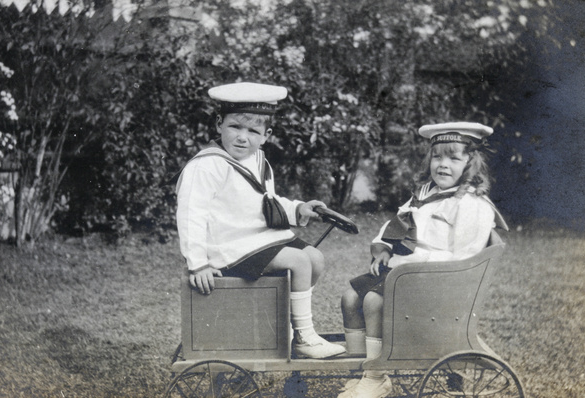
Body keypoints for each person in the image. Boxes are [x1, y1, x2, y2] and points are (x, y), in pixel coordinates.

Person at [175, 82, 346, 359]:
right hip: (229, 247)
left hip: (256, 240)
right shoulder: (206, 165)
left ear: (266, 135)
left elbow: (267, 200)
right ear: (219, 124)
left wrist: (298, 209)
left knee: (315, 257)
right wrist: (198, 264)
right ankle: (304, 336)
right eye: (235, 127)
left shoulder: (258, 160)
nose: (243, 138)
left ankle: (287, 325)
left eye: (253, 131)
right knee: (299, 260)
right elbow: (191, 214)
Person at [338, 122, 509, 398]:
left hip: (433, 282)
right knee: (350, 297)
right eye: (437, 156)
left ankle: (376, 376)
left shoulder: (471, 205)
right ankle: (362, 370)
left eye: (454, 158)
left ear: (470, 164)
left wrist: (415, 266)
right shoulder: (424, 193)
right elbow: (396, 222)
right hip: (404, 273)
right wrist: (382, 248)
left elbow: (463, 260)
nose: (443, 165)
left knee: (373, 301)